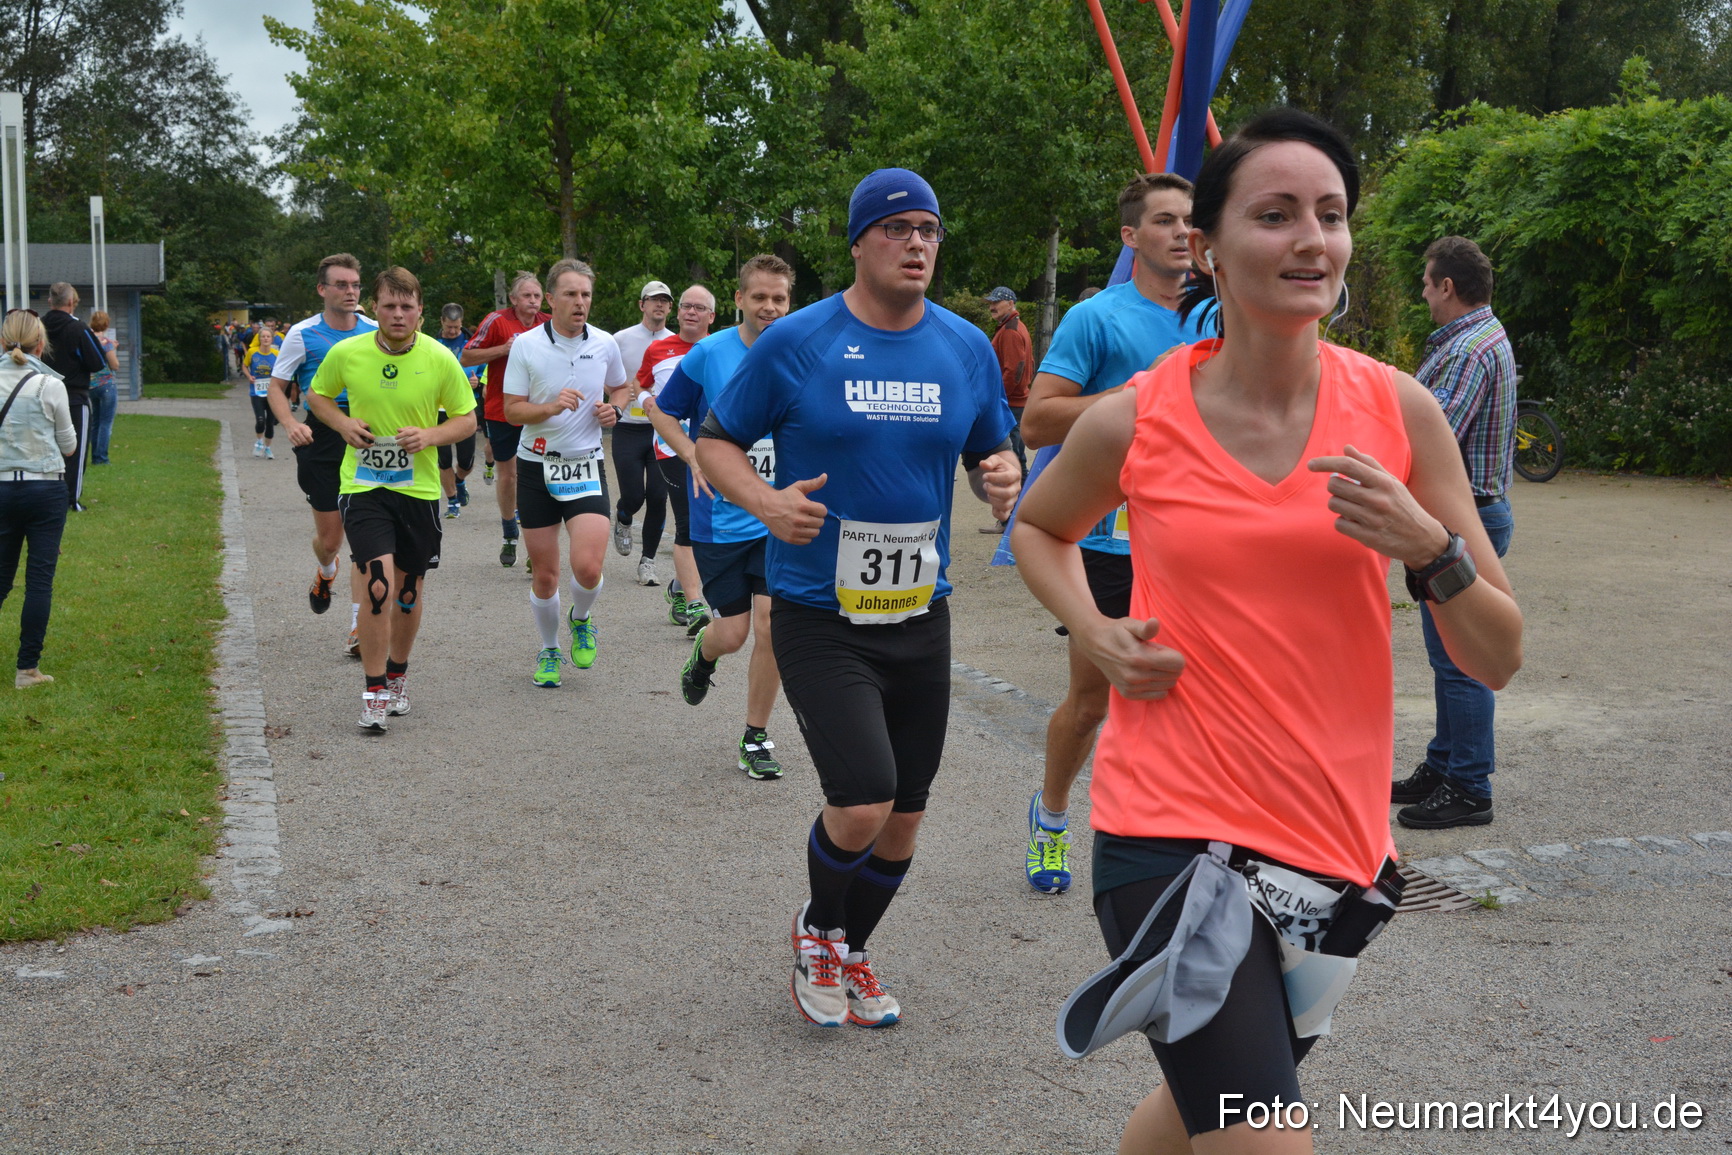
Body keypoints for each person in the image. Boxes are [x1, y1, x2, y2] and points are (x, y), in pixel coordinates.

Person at [1013, 109, 1522, 1154]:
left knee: (1206, 1111)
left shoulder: (1397, 411)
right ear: (1204, 243)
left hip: (1333, 849)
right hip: (1171, 836)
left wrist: (1429, 546)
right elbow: (1040, 528)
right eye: (1276, 213)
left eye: (1330, 216)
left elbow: (1497, 654)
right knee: (1259, 1133)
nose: (1311, 240)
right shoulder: (1135, 416)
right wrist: (1095, 633)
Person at [697, 168, 1021, 1029]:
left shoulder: (965, 347)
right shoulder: (798, 341)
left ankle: (854, 949)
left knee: (906, 818)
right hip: (818, 613)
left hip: (922, 612)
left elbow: (994, 448)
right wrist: (764, 503)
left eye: (930, 229)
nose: (917, 243)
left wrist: (1002, 475)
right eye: (898, 228)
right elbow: (716, 441)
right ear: (858, 240)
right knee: (863, 799)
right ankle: (816, 929)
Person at [1016, 172, 1213, 896]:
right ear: (1131, 238)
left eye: (1189, 221)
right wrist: (1134, 396)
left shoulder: (1222, 316)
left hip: (1192, 539)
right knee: (1094, 701)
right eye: (1163, 221)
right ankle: (1054, 813)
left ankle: (1182, 835)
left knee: (1194, 698)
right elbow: (1037, 421)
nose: (1180, 234)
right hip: (1105, 542)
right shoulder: (1097, 317)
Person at [306, 267, 476, 732]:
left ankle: (398, 675)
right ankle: (375, 690)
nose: (398, 314)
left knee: (407, 592)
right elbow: (317, 395)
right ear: (374, 308)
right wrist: (342, 425)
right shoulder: (348, 352)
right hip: (363, 486)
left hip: (418, 491)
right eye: (389, 306)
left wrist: (430, 435)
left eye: (407, 306)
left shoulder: (440, 358)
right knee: (377, 583)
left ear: (421, 310)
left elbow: (466, 420)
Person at [649, 254, 794, 780]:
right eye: (760, 297)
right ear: (738, 300)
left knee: (772, 624)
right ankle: (703, 658)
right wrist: (691, 453)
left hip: (775, 516)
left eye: (779, 298)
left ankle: (755, 735)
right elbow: (659, 409)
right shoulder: (710, 353)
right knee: (731, 633)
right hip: (720, 520)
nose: (771, 308)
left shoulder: (803, 351)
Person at [1391, 235, 1519, 830]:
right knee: (1448, 657)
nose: (1423, 294)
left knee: (1459, 661)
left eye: (1426, 283)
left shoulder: (1468, 349)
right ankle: (1444, 765)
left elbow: (1430, 432)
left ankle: (1469, 786)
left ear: (1447, 286)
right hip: (1469, 513)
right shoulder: (1477, 339)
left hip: (1466, 520)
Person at [501, 259, 629, 686]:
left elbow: (621, 386)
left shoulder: (606, 344)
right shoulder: (526, 344)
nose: (580, 302)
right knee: (546, 574)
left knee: (589, 568)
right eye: (571, 294)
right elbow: (511, 408)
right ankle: (549, 649)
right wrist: (551, 406)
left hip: (586, 465)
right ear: (551, 299)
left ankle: (582, 618)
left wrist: (617, 409)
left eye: (586, 294)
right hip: (536, 467)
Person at [267, 253, 379, 657]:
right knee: (331, 540)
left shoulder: (375, 330)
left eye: (355, 285)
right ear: (322, 289)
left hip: (365, 432)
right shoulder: (302, 334)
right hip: (321, 436)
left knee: (366, 535)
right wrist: (291, 424)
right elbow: (277, 387)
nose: (350, 292)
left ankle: (357, 627)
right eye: (342, 285)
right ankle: (326, 570)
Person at [0, 310, 76, 689]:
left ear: (2, 342)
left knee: (0, 578)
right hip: (44, 488)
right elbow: (69, 444)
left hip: (1, 488)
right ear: (41, 344)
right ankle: (27, 669)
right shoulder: (49, 384)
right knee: (39, 581)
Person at [463, 273, 548, 567]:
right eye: (527, 296)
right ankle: (509, 529)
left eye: (537, 296)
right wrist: (504, 349)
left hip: (538, 410)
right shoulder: (497, 321)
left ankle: (534, 544)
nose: (533, 301)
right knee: (509, 474)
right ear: (513, 299)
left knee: (538, 475)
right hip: (502, 410)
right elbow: (465, 356)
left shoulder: (549, 323)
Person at [636, 284, 714, 602]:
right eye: (686, 306)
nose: (691, 312)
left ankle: (680, 586)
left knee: (708, 523)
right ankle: (690, 602)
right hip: (670, 447)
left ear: (711, 315)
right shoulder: (658, 349)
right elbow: (639, 385)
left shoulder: (721, 349)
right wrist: (649, 403)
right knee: (686, 521)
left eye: (699, 307)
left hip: (712, 449)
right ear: (678, 312)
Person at [608, 280, 674, 571]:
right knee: (634, 496)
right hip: (628, 428)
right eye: (653, 299)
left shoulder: (676, 342)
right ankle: (623, 517)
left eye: (665, 300)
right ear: (642, 305)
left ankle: (647, 560)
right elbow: (603, 377)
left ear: (670, 308)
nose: (659, 304)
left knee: (659, 497)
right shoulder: (620, 339)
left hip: (662, 430)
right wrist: (619, 396)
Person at [41, 283, 106, 512]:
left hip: (41, 394)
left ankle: (46, 494)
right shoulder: (78, 329)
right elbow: (98, 361)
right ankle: (71, 500)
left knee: (46, 446)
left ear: (50, 302)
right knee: (75, 451)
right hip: (73, 396)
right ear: (71, 303)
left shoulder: (38, 326)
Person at [981, 286, 1031, 525]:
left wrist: (998, 399)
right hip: (1014, 402)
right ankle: (1018, 517)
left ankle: (1013, 518)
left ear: (1010, 303)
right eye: (990, 302)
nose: (992, 305)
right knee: (1017, 457)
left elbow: (1015, 369)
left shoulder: (1010, 331)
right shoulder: (1013, 326)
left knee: (1013, 459)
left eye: (996, 302)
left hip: (1010, 403)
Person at [432, 303, 479, 520]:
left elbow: (485, 368)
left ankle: (460, 480)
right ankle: (452, 501)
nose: (453, 331)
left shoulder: (472, 343)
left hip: (464, 408)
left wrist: (478, 381)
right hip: (438, 410)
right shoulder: (432, 344)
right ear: (442, 321)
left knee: (466, 461)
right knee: (443, 460)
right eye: (449, 327)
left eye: (457, 327)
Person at [86, 311, 122, 467]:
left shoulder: (88, 341)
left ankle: (94, 455)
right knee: (106, 423)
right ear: (106, 325)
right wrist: (112, 349)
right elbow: (114, 365)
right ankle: (101, 458)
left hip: (91, 385)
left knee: (96, 423)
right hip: (106, 384)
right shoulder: (106, 342)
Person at [247, 326, 280, 458]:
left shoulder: (276, 354)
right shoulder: (252, 352)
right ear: (259, 338)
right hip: (257, 392)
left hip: (272, 393)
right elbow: (245, 365)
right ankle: (259, 441)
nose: (265, 339)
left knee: (270, 422)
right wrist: (249, 376)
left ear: (272, 339)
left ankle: (267, 448)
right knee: (260, 420)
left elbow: (281, 370)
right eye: (263, 336)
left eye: (268, 336)